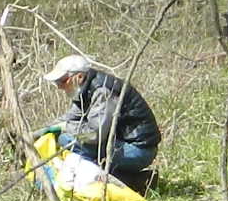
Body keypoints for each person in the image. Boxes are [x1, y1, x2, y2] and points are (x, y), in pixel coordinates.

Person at [46, 52, 160, 190]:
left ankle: (91, 185)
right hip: (122, 144)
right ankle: (134, 181)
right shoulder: (85, 89)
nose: (59, 86)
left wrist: (66, 128)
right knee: (64, 138)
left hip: (138, 150)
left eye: (62, 81)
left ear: (79, 76)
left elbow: (95, 135)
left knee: (68, 140)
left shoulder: (103, 91)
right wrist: (36, 134)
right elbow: (69, 118)